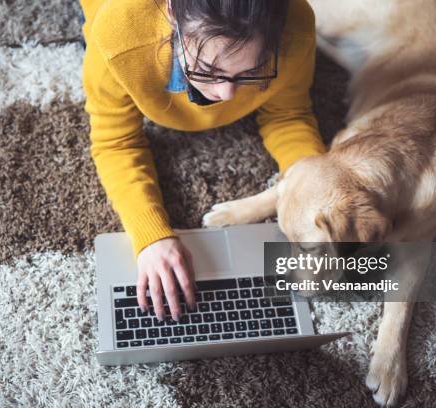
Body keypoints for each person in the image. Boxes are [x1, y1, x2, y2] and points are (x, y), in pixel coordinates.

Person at [80, 0, 326, 322]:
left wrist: (316, 190)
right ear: (171, 14)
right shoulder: (118, 35)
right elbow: (116, 142)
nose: (226, 95)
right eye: (209, 71)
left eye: (251, 72)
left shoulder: (296, 26)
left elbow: (288, 115)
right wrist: (151, 236)